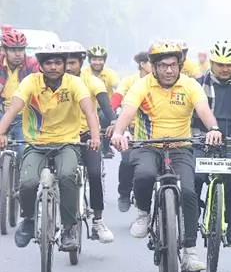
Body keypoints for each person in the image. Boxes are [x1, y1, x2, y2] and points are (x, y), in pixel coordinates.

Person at [110, 40, 222, 272]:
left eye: (173, 65)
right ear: (153, 67)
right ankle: (142, 212)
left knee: (190, 192)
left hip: (181, 147)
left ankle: (190, 251)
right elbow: (128, 110)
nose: (169, 70)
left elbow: (203, 110)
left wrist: (213, 129)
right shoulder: (143, 85)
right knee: (144, 174)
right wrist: (119, 133)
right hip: (148, 145)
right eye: (163, 66)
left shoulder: (190, 85)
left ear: (180, 65)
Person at [0, 43, 101, 250]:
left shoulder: (74, 83)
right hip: (36, 144)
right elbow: (13, 109)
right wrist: (1, 132)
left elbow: (89, 111)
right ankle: (27, 220)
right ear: (41, 66)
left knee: (67, 176)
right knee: (27, 182)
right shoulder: (30, 82)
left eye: (58, 62)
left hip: (67, 143)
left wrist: (95, 137)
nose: (53, 67)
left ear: (64, 65)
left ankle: (68, 229)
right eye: (49, 63)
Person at [192, 40, 231, 248]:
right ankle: (192, 217)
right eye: (220, 64)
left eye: (229, 64)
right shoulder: (197, 84)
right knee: (194, 176)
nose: (225, 69)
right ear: (212, 63)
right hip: (201, 140)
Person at [62, 41, 116, 243]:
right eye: (64, 62)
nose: (67, 67)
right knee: (59, 177)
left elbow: (104, 101)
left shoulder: (91, 80)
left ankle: (98, 221)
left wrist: (113, 120)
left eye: (73, 63)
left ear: (81, 63)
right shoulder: (51, 81)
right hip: (60, 137)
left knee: (94, 173)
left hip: (86, 135)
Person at [111, 51, 152, 212]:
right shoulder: (129, 81)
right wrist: (111, 116)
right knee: (127, 159)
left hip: (153, 132)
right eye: (152, 62)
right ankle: (124, 194)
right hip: (130, 128)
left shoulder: (160, 81)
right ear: (142, 64)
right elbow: (116, 98)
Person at [0, 28, 40, 160]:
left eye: (21, 49)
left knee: (24, 150)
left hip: (24, 115)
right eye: (13, 50)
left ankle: (22, 178)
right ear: (4, 50)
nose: (18, 54)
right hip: (2, 111)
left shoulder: (32, 64)